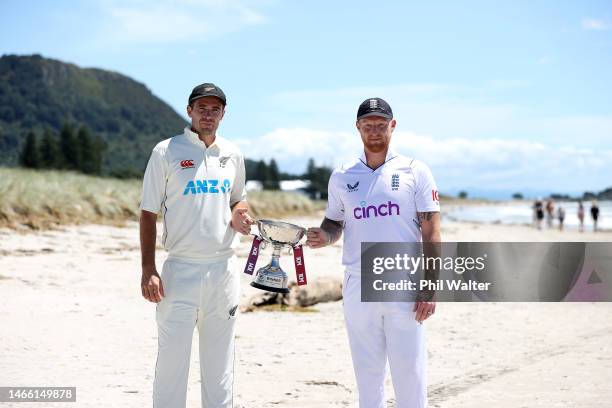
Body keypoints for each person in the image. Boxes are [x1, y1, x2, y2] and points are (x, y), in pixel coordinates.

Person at [306, 97, 440, 408]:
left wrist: (431, 285)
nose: (375, 131)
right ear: (358, 128)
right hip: (357, 281)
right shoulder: (342, 175)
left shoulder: (415, 170)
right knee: (367, 371)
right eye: (368, 125)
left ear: (393, 126)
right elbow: (334, 222)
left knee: (409, 370)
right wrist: (323, 236)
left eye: (381, 125)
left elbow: (431, 231)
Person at [139, 83, 253, 408]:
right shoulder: (166, 151)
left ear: (223, 113)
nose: (208, 114)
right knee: (171, 368)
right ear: (189, 110)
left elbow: (238, 200)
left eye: (215, 109)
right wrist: (148, 269)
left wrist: (241, 216)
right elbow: (148, 213)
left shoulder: (232, 154)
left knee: (220, 371)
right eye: (201, 107)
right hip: (179, 271)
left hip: (223, 272)